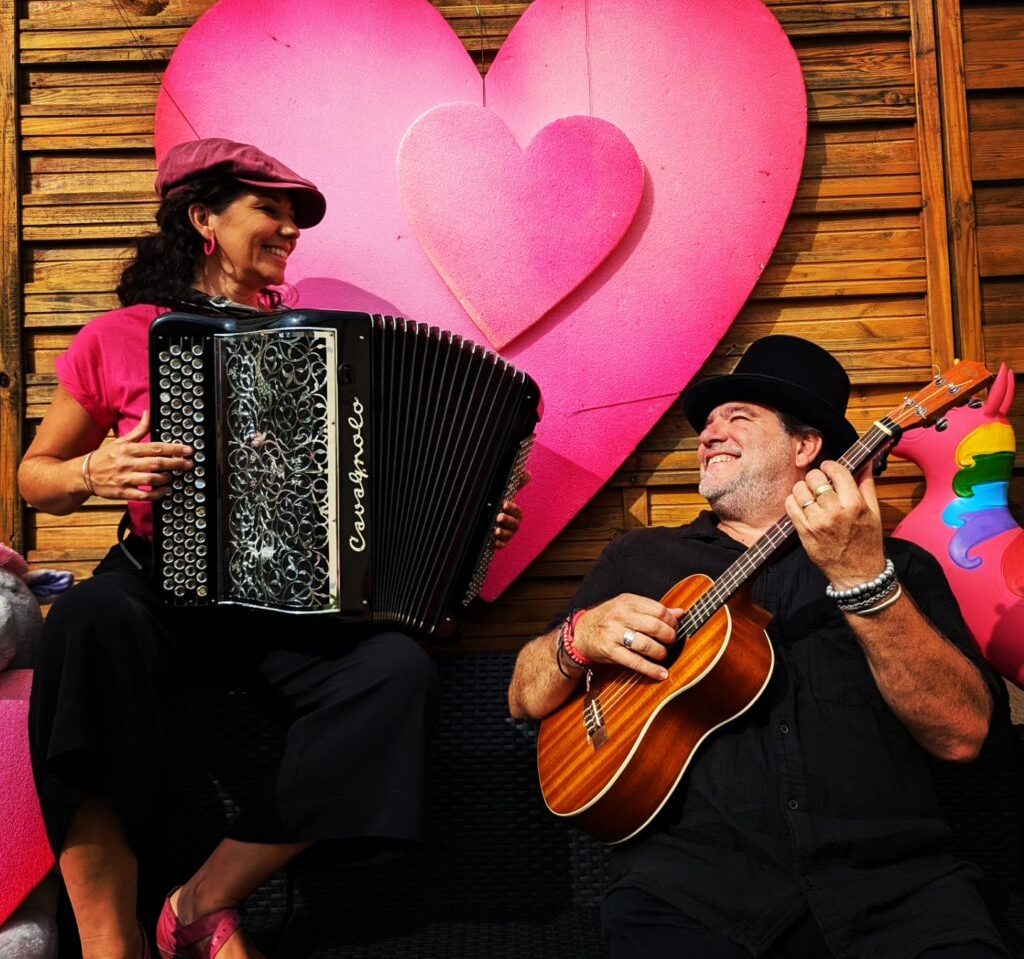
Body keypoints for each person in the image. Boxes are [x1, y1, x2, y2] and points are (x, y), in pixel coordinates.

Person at [20, 138, 524, 959]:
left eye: (296, 217)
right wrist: (92, 469)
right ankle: (109, 940)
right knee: (84, 623)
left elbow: (385, 479)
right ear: (203, 219)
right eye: (270, 209)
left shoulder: (330, 347)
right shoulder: (119, 336)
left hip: (293, 606)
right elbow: (34, 477)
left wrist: (466, 523)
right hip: (163, 584)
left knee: (395, 671)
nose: (291, 229)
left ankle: (201, 902)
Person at [508, 335, 1009, 958]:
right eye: (707, 425)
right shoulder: (641, 557)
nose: (709, 435)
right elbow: (524, 696)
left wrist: (864, 581)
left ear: (805, 447)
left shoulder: (899, 567)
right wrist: (575, 640)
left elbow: (963, 736)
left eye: (737, 418)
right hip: (690, 896)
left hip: (898, 896)